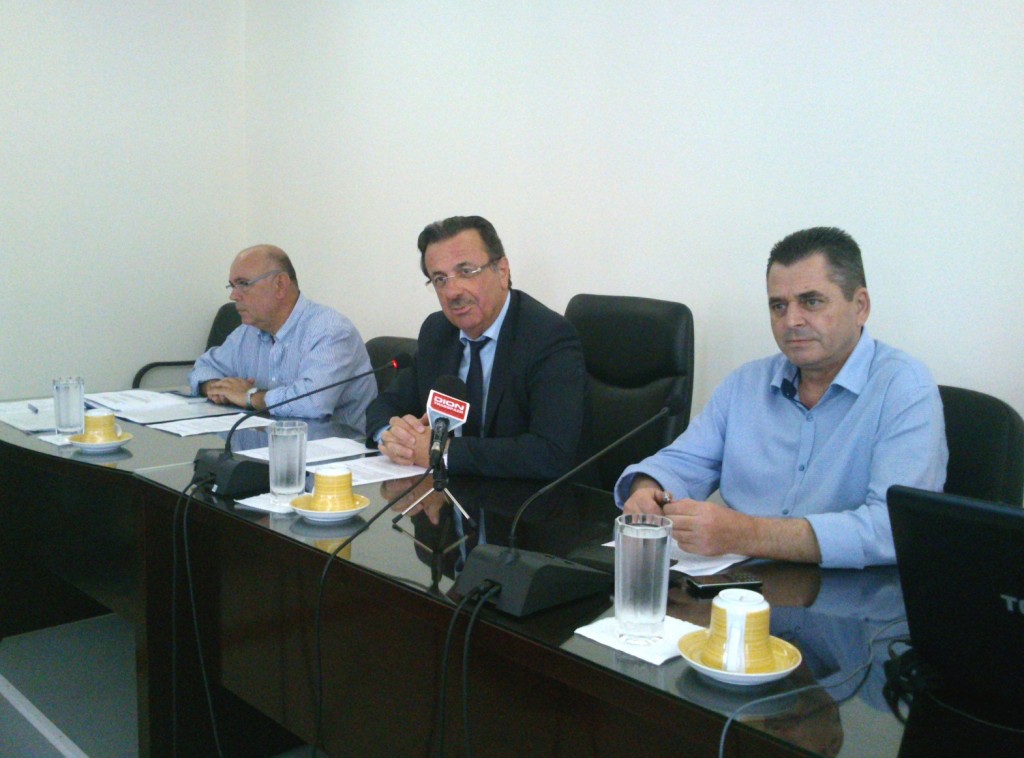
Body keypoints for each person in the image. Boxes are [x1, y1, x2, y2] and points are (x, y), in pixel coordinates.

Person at [617, 227, 947, 569]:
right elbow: (681, 464)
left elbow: (893, 529)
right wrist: (647, 489)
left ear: (860, 306)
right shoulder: (745, 383)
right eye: (778, 305)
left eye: (811, 301)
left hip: (845, 591)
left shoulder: (904, 388)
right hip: (732, 585)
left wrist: (747, 534)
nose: (791, 321)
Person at [365, 216, 588, 480]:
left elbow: (550, 453)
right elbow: (385, 405)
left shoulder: (547, 336)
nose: (452, 292)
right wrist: (394, 436)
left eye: (466, 272)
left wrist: (443, 452)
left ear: (502, 271)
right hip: (445, 496)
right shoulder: (438, 331)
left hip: (524, 498)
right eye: (440, 279)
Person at [189, 244, 377, 432]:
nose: (233, 295)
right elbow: (204, 367)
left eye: (243, 284)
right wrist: (217, 388)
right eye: (232, 286)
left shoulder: (331, 330)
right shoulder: (248, 331)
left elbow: (312, 403)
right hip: (264, 443)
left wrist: (249, 396)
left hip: (330, 446)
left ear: (279, 284)